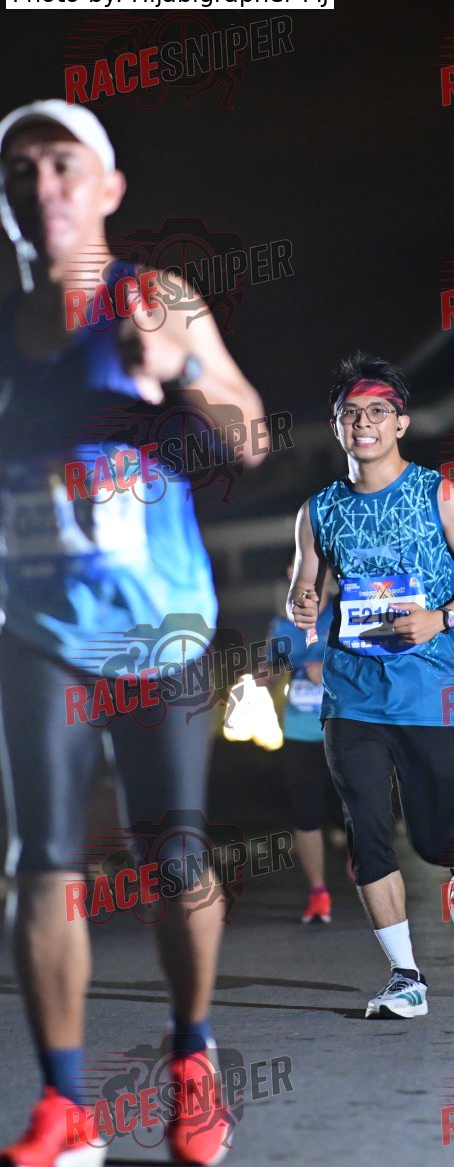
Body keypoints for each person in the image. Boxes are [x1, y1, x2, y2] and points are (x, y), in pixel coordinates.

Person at [0, 100, 265, 1166]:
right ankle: (66, 1108)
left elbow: (250, 433)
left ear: (108, 187)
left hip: (160, 629)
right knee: (42, 860)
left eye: (62, 164)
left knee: (176, 856)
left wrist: (180, 371)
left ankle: (193, 1058)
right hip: (37, 628)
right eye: (20, 171)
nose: (41, 186)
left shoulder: (157, 298)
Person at [288, 351, 454, 1018]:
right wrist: (302, 600)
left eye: (377, 411)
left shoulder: (438, 494)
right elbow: (304, 585)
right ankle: (406, 976)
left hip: (429, 688)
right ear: (336, 426)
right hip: (351, 693)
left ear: (401, 423)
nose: (364, 423)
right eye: (350, 413)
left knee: (430, 835)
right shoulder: (318, 510)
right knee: (366, 827)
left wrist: (441, 618)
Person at [268, 559, 340, 922]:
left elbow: (371, 660)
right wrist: (265, 675)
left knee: (356, 807)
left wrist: (326, 669)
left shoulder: (345, 614)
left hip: (344, 728)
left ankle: (366, 863)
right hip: (298, 730)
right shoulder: (283, 625)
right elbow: (272, 668)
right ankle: (318, 892)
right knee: (306, 813)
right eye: (296, 568)